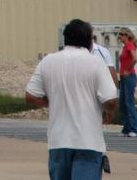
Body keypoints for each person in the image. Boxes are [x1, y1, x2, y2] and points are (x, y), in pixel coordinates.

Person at [25, 18, 118, 180]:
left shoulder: (48, 61)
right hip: (88, 141)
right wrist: (109, 112)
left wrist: (48, 102)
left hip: (58, 142)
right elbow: (110, 100)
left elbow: (30, 96)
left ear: (65, 38)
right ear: (89, 40)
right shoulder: (96, 63)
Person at [117, 27, 137, 136]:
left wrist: (128, 69)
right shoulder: (124, 47)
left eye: (121, 34)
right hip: (123, 77)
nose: (119, 36)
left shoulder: (129, 45)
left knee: (129, 102)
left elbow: (135, 58)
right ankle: (126, 128)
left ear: (127, 35)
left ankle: (134, 129)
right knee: (122, 103)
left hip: (129, 76)